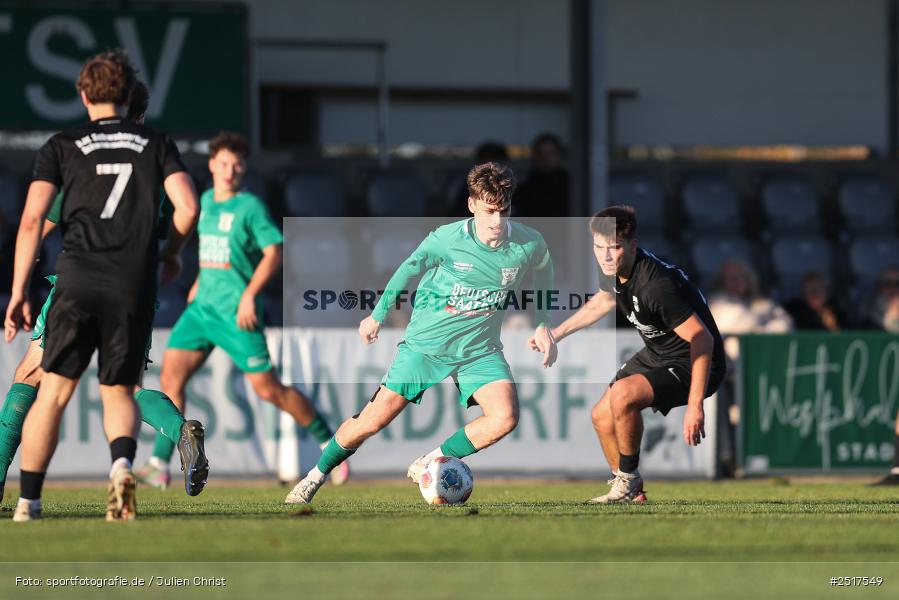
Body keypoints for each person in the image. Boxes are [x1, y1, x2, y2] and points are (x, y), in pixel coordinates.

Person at [285, 161, 557, 504]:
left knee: (505, 416)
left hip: (479, 349)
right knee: (371, 421)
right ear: (472, 205)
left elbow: (545, 268)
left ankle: (429, 462)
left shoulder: (528, 243)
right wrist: (378, 315)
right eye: (489, 211)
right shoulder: (447, 239)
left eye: (504, 211)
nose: (497, 222)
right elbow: (407, 269)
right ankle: (314, 476)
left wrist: (543, 322)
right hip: (426, 345)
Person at [3, 50, 200, 521]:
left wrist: (16, 292)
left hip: (77, 279)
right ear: (134, 100)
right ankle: (124, 473)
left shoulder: (67, 147)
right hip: (134, 284)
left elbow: (34, 220)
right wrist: (171, 254)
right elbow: (189, 209)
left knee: (42, 386)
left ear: (84, 94)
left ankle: (27, 499)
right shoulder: (155, 147)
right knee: (122, 389)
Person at [143, 132, 348, 488]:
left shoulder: (250, 208)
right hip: (201, 309)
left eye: (237, 164)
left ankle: (330, 444)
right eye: (224, 162)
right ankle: (159, 465)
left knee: (269, 390)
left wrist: (250, 295)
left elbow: (274, 251)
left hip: (238, 313)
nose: (230, 170)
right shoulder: (203, 201)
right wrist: (199, 281)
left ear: (244, 169)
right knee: (170, 380)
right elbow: (211, 251)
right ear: (212, 165)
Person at [544, 205, 725, 503]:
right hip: (659, 352)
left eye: (613, 247)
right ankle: (629, 488)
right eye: (598, 247)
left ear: (632, 245)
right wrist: (556, 334)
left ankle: (627, 480)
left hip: (695, 361)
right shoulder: (614, 269)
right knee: (601, 416)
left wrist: (695, 405)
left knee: (623, 395)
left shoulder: (656, 286)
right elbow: (602, 303)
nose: (604, 255)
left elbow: (702, 339)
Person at [708, 259, 792, 476]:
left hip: (762, 371)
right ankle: (730, 460)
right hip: (728, 373)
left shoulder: (762, 304)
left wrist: (758, 326)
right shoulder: (717, 303)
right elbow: (735, 323)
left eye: (741, 277)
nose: (736, 282)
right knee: (729, 416)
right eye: (731, 278)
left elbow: (785, 325)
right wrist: (760, 325)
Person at [512, 133, 568, 217]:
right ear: (535, 156)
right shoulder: (526, 185)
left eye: (550, 152)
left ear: (559, 155)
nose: (545, 157)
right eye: (541, 153)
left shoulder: (571, 185)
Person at [784, 271, 849, 331]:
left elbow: (848, 339)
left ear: (827, 291)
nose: (813, 294)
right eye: (808, 290)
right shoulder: (793, 313)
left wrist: (833, 326)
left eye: (816, 289)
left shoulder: (839, 314)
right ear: (802, 293)